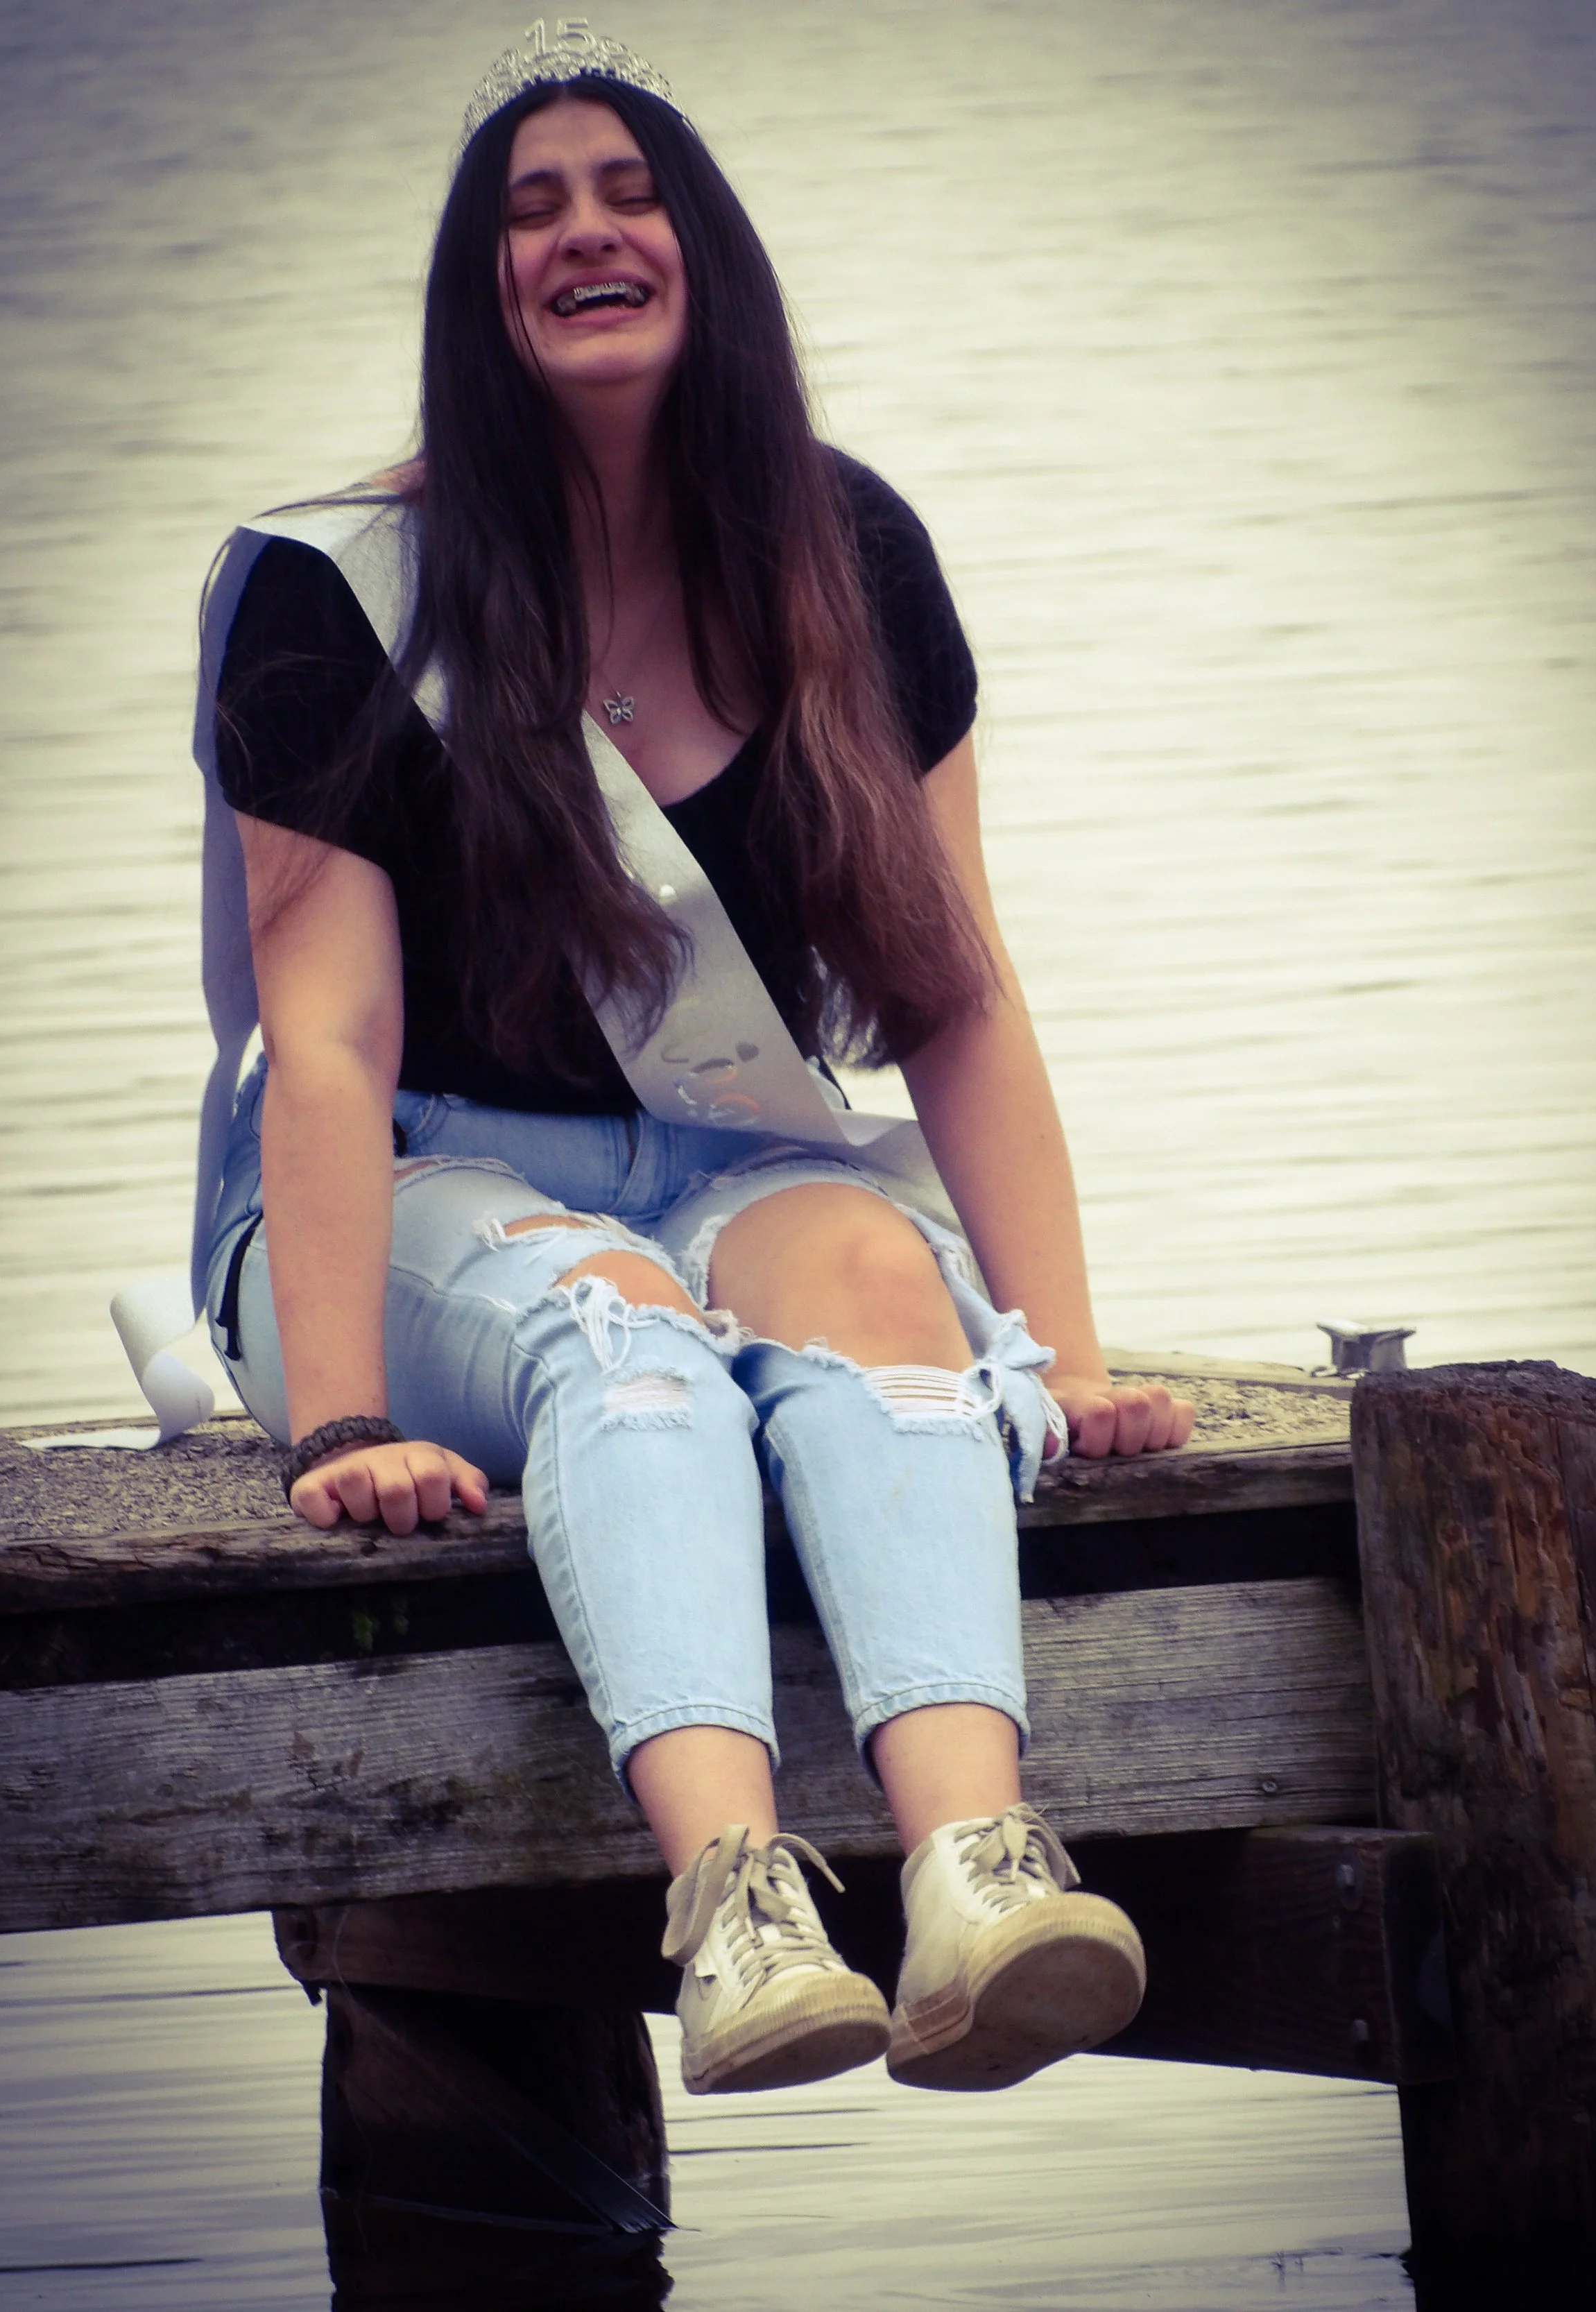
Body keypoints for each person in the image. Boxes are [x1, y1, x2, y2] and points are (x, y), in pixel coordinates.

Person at [198, 25, 1194, 2099]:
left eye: (628, 192)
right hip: (400, 1189)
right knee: (622, 1332)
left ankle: (974, 1881)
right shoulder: (336, 591)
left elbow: (954, 995)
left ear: (705, 252)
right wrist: (340, 1421)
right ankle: (740, 1912)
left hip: (726, 1156)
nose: (585, 232)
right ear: (478, 294)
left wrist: (1068, 1358)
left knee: (880, 1282)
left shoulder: (848, 553)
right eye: (530, 210)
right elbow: (331, 1039)